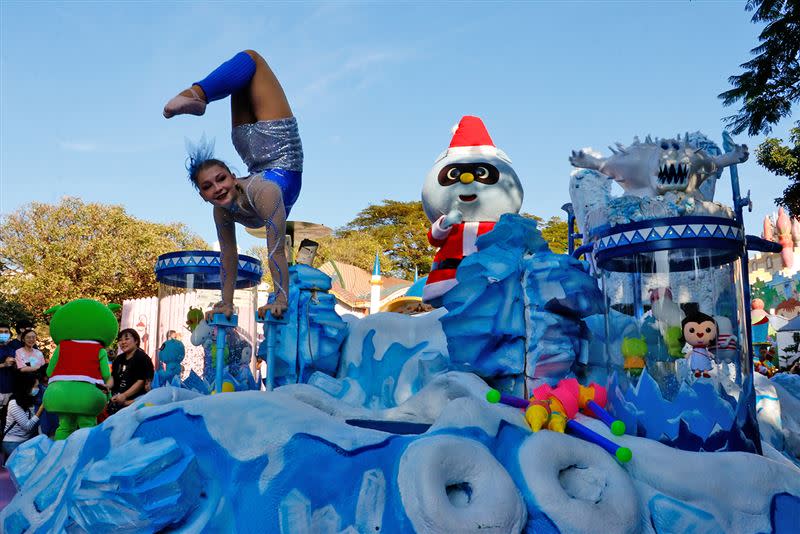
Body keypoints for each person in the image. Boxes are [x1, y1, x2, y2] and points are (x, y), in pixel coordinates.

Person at [164, 49, 302, 321]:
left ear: (232, 176)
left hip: (271, 143)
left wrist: (281, 298)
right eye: (208, 187)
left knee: (251, 58)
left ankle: (198, 95)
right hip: (262, 154)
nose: (217, 188)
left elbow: (275, 249)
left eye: (221, 179)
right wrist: (225, 302)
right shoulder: (222, 211)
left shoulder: (265, 193)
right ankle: (197, 95)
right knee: (246, 68)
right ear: (203, 196)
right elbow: (228, 256)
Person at [109, 329, 154, 412]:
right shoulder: (118, 359)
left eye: (126, 339)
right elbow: (113, 377)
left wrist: (124, 396)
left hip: (136, 404)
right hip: (117, 402)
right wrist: (107, 386)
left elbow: (141, 381)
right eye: (120, 340)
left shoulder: (142, 358)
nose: (123, 342)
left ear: (136, 341)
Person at [2, 374, 43, 460]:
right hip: (13, 442)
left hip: (26, 440)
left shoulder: (30, 400)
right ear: (27, 387)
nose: (37, 389)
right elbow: (27, 426)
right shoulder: (14, 403)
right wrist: (41, 409)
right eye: (35, 386)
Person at [0, 324, 17, 412]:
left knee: (5, 419)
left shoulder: (12, 350)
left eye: (6, 332)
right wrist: (4, 364)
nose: (3, 334)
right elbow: (5, 365)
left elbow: (16, 368)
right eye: (1, 332)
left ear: (10, 334)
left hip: (10, 389)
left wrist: (15, 364)